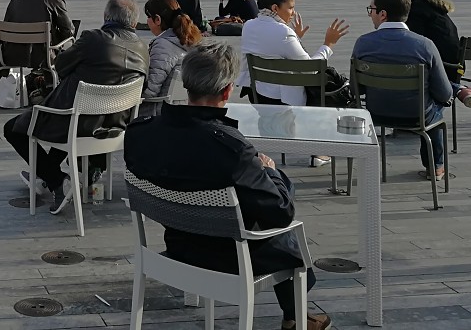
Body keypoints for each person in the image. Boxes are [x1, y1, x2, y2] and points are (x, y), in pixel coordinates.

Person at [124, 42, 334, 330]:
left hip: (177, 245)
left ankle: (295, 316)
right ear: (227, 91)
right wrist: (270, 172)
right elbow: (281, 213)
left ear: (187, 84)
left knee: (261, 205)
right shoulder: (232, 150)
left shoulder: (141, 133)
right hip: (229, 258)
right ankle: (295, 316)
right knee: (280, 206)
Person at [4, 0, 148, 213]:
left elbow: (60, 67)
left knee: (13, 128)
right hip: (117, 123)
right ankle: (46, 176)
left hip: (79, 122)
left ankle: (55, 180)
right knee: (64, 119)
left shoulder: (93, 39)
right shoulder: (143, 49)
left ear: (106, 16)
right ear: (134, 23)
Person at [353, 0, 453, 180]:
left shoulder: (363, 43)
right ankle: (436, 166)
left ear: (383, 14)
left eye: (371, 9)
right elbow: (444, 92)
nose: (370, 14)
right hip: (416, 115)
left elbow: (358, 88)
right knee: (438, 105)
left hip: (375, 113)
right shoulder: (425, 45)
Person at [236, 0, 349, 120]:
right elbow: (311, 70)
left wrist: (295, 38)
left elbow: (271, 44)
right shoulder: (284, 32)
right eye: (290, 8)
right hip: (284, 101)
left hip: (259, 95)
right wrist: (328, 44)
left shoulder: (248, 26)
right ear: (275, 8)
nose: (293, 13)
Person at [388, 0, 471, 112]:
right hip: (456, 66)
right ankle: (459, 90)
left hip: (440, 69)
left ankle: (416, 119)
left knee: (405, 68)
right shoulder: (433, 5)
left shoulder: (414, 11)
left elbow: (413, 43)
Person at [141, 0, 202, 115]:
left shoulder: (163, 45)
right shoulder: (190, 41)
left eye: (148, 17)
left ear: (157, 19)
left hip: (158, 113)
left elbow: (150, 91)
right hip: (182, 109)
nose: (147, 21)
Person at [3, 0, 75, 69]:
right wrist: (57, 44)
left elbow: (7, 25)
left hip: (12, 53)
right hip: (43, 56)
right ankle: (51, 81)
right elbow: (68, 30)